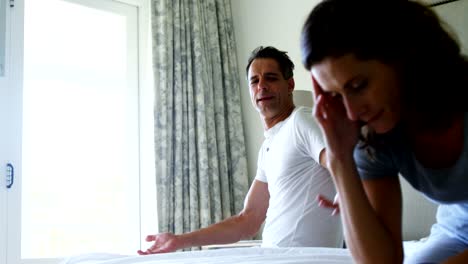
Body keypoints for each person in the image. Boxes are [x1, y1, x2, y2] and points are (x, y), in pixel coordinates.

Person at [300, 0, 468, 263]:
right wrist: (339, 158)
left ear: (401, 56)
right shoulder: (374, 139)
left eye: (358, 85)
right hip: (458, 230)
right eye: (335, 94)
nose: (352, 113)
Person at [137, 46, 342, 255]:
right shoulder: (268, 148)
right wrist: (179, 241)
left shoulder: (301, 121)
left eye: (270, 78)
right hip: (271, 255)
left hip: (300, 258)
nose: (261, 86)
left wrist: (345, 193)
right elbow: (248, 220)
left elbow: (339, 161)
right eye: (254, 81)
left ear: (290, 84)